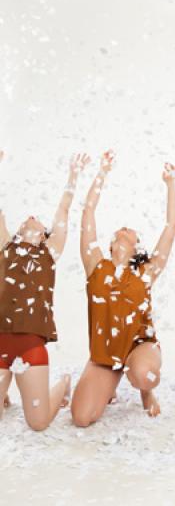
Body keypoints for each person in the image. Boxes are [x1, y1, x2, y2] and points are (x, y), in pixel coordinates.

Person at [71, 151, 175, 426]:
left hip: (138, 347)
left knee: (144, 375)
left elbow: (171, 226)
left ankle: (146, 393)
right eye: (121, 229)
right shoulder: (96, 265)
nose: (124, 228)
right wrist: (102, 172)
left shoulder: (145, 272)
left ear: (137, 247)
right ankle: (108, 383)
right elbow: (88, 214)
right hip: (105, 355)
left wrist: (170, 184)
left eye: (131, 230)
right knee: (82, 418)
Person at [0, 149, 90, 430]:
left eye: (37, 219)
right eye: (25, 218)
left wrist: (73, 176)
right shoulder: (5, 247)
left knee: (38, 423)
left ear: (44, 234)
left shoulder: (49, 252)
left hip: (30, 346)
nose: (30, 216)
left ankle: (62, 385)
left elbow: (63, 210)